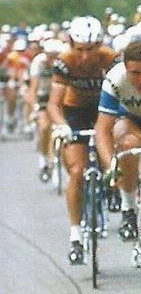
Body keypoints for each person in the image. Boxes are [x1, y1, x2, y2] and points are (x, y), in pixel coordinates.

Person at [47, 16, 116, 265]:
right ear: (70, 44)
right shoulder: (64, 61)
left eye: (91, 49)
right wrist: (62, 126)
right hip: (74, 113)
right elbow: (54, 104)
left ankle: (113, 188)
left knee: (115, 155)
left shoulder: (111, 58)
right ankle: (75, 234)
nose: (85, 56)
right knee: (77, 170)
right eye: (80, 50)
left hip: (103, 112)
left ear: (100, 45)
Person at [95, 37, 141, 244]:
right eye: (135, 73)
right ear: (125, 69)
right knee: (127, 145)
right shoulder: (115, 79)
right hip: (132, 120)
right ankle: (128, 207)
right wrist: (111, 166)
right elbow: (102, 129)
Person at [27, 37, 62, 180]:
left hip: (59, 99)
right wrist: (33, 109)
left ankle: (57, 159)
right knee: (44, 127)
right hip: (43, 97)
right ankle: (43, 158)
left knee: (59, 129)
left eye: (55, 56)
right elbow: (33, 87)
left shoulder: (63, 63)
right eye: (49, 56)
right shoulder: (38, 62)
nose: (52, 59)